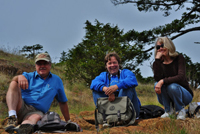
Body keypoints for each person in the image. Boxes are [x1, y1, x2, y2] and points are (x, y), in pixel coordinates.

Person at [2, 53, 70, 134]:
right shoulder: (28, 76)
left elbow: (62, 102)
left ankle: (21, 129)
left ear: (50, 65)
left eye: (45, 63)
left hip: (36, 112)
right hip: (21, 106)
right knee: (14, 83)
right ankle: (12, 117)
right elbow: (14, 80)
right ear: (35, 65)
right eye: (39, 64)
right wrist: (19, 77)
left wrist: (68, 121)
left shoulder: (57, 80)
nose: (42, 66)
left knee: (35, 118)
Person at [153, 37, 193, 120]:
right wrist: (157, 60)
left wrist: (163, 81)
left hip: (184, 95)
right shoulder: (158, 63)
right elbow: (157, 78)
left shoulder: (179, 58)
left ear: (168, 46)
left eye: (162, 46)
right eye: (158, 47)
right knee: (156, 84)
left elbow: (181, 77)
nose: (160, 49)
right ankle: (168, 111)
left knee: (172, 86)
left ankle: (180, 110)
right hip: (166, 98)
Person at [90, 52, 141, 118]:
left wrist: (117, 86)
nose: (112, 65)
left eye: (114, 62)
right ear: (106, 66)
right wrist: (107, 90)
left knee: (128, 87)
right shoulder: (103, 75)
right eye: (109, 63)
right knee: (96, 90)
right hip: (110, 106)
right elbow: (93, 83)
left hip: (127, 107)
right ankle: (105, 116)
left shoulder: (125, 72)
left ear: (119, 64)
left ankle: (125, 115)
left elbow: (132, 80)